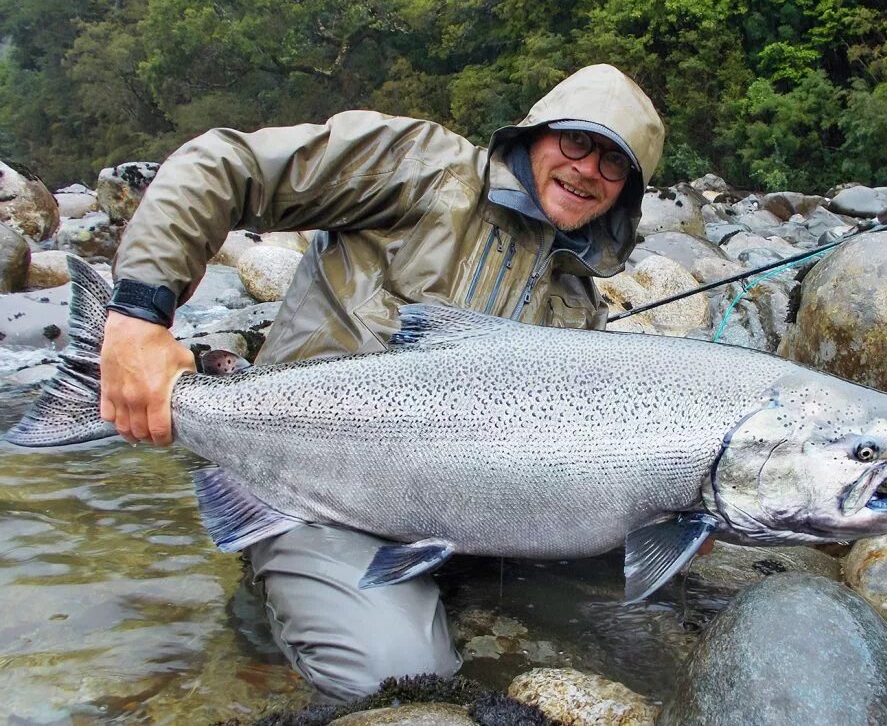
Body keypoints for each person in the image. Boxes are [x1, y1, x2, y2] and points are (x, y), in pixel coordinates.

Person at [100, 63, 666, 700]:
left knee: (645, 614)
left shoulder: (580, 306)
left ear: (627, 193)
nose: (588, 168)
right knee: (400, 681)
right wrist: (136, 317)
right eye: (576, 141)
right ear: (530, 137)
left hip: (451, 521)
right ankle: (270, 612)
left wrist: (666, 509)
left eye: (614, 162)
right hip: (311, 487)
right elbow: (225, 163)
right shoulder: (421, 166)